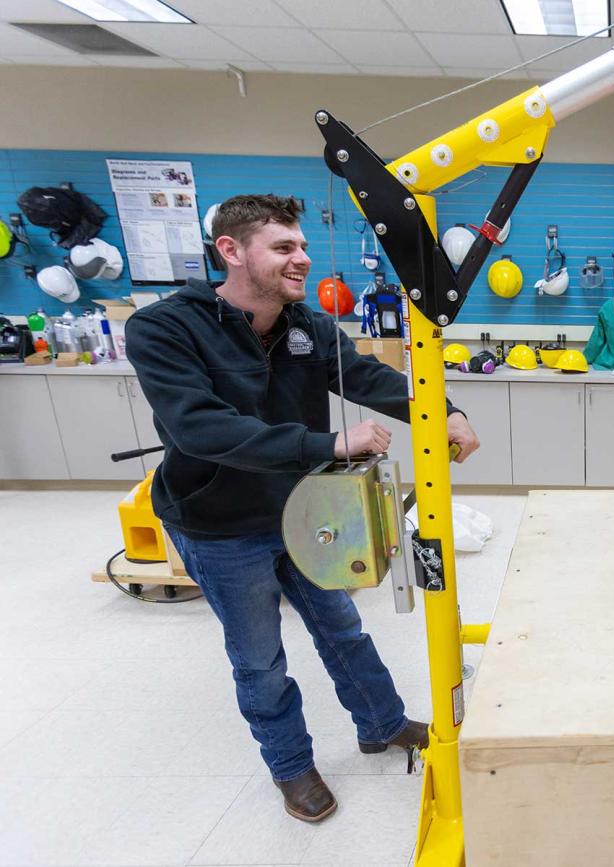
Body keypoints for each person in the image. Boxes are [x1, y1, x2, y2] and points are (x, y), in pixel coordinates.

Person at [126, 194, 480, 822]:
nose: (303, 260)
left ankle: (382, 724)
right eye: (284, 248)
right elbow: (200, 429)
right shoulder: (164, 328)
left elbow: (368, 379)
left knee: (341, 624)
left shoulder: (306, 325)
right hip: (218, 524)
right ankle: (292, 769)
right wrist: (329, 443)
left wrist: (444, 409)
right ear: (231, 252)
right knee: (260, 658)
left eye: (303, 246)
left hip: (301, 509)